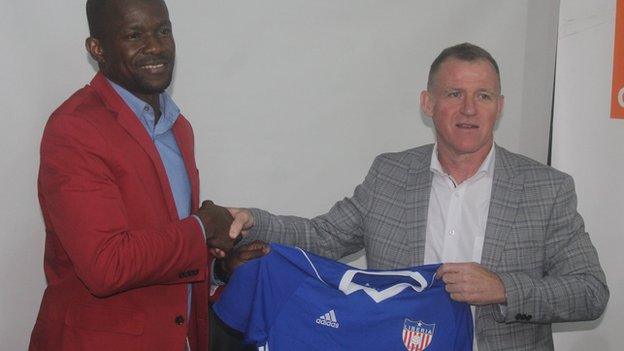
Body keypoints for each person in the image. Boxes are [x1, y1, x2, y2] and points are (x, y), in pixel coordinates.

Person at [221, 43, 609, 350]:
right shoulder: (390, 173)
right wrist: (255, 221)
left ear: (500, 106)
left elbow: (590, 291)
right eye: (455, 93)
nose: (470, 109)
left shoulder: (547, 189)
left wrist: (504, 288)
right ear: (428, 104)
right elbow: (323, 236)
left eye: (484, 96)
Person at [29, 0, 237, 350]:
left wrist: (219, 262)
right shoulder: (75, 128)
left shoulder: (178, 127)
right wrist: (202, 228)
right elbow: (106, 264)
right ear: (97, 49)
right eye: (134, 35)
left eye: (163, 30)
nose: (155, 46)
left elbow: (167, 243)